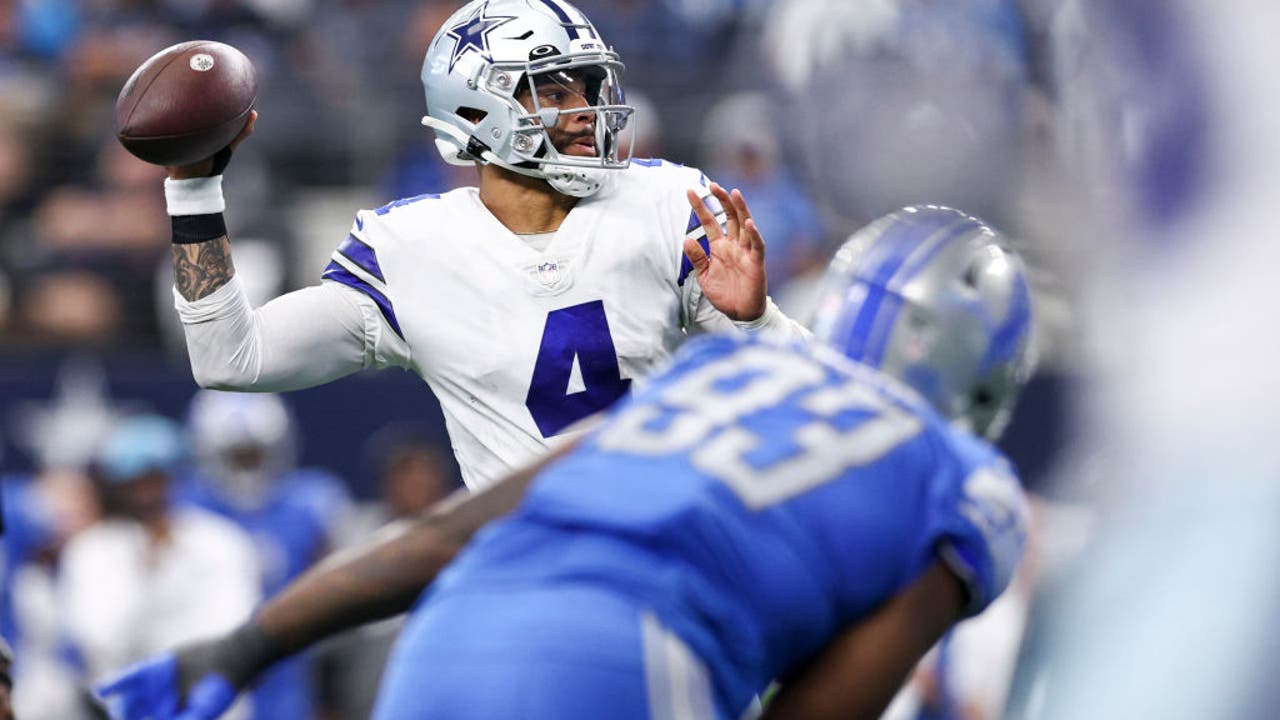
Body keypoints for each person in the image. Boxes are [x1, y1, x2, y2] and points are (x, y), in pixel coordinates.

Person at [97, 204, 1036, 720]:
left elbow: (449, 534)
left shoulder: (698, 382)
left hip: (453, 634)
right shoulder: (963, 479)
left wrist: (248, 644)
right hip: (632, 655)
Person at [159, 0, 807, 490]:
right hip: (527, 581)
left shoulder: (669, 202)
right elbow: (231, 359)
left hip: (680, 549)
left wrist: (755, 321)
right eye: (555, 90)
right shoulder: (408, 248)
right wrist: (193, 189)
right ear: (475, 112)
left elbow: (814, 396)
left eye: (587, 86)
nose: (584, 110)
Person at [58, 415, 260, 717]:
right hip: (129, 708)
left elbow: (233, 634)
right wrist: (147, 570)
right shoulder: (90, 551)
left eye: (157, 479)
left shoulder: (222, 542)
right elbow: (100, 641)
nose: (147, 493)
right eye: (135, 482)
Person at [180, 390, 352, 720]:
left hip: (292, 665)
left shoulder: (313, 501)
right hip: (212, 658)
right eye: (236, 455)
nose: (246, 464)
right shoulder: (187, 504)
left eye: (254, 454)